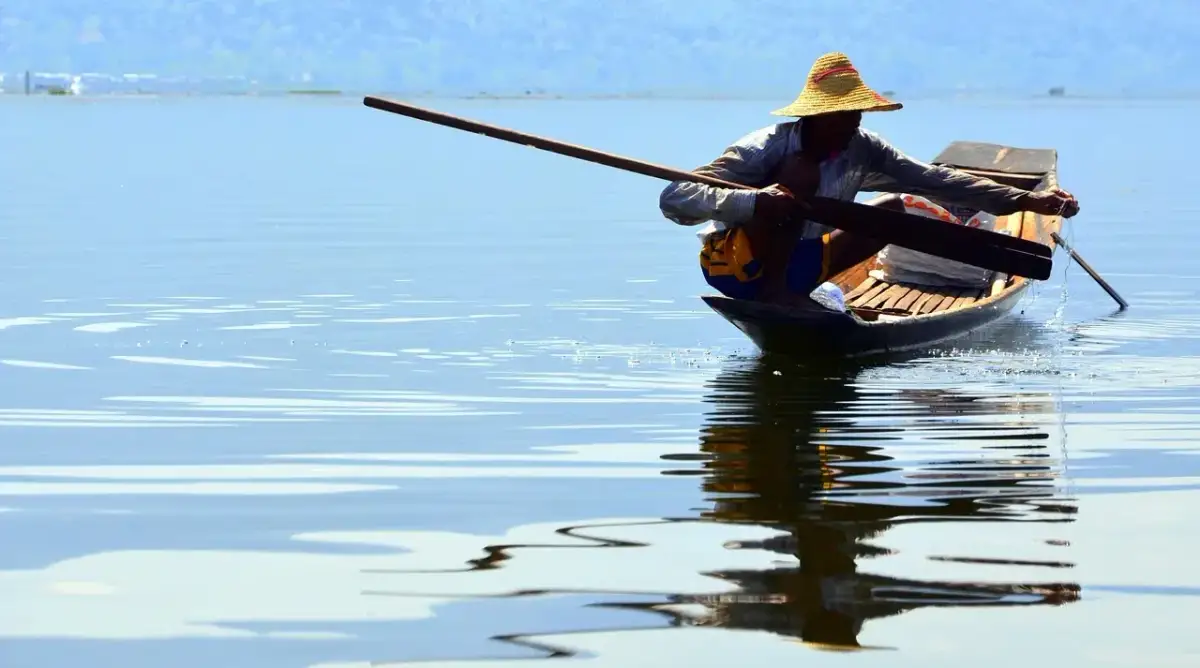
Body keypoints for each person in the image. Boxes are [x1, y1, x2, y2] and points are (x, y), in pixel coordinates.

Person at [659, 51, 1080, 306]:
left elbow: (934, 180)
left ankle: (796, 293)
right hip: (738, 268)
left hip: (802, 264)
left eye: (856, 113)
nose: (852, 124)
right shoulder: (765, 147)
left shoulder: (863, 147)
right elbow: (675, 198)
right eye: (841, 116)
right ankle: (776, 295)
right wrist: (755, 202)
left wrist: (1026, 201)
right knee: (798, 174)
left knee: (893, 208)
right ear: (814, 114)